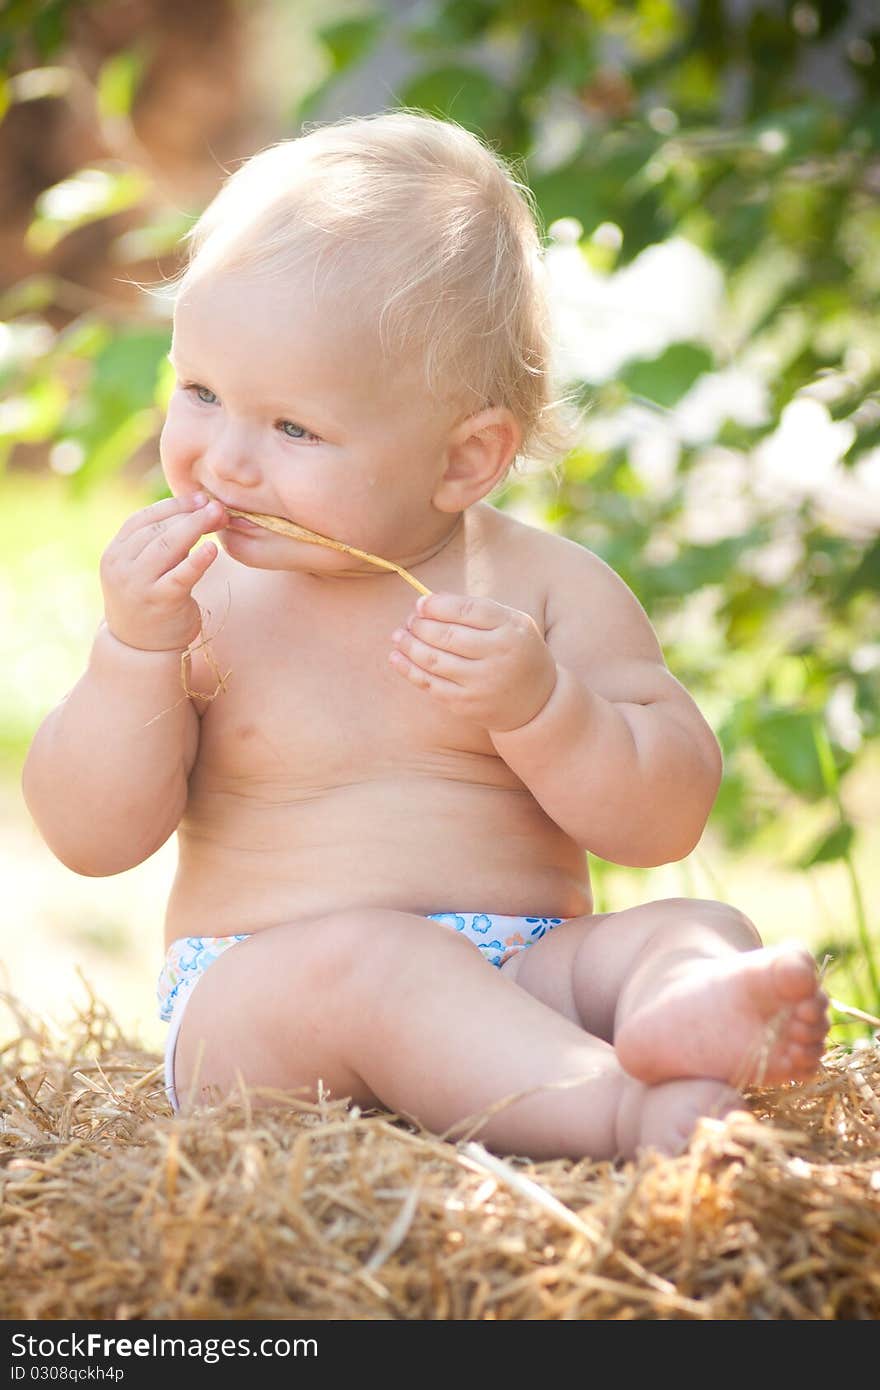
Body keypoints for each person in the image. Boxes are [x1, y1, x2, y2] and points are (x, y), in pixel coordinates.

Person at [22, 110, 828, 1160]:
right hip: (271, 1008)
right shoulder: (200, 601)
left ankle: (678, 1009)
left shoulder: (544, 592)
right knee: (378, 967)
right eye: (201, 393)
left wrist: (547, 711)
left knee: (689, 927)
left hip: (525, 972)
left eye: (292, 427)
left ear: (462, 461)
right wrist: (132, 655)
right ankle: (619, 1111)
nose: (223, 459)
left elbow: (663, 816)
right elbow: (89, 838)